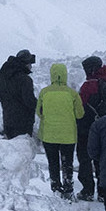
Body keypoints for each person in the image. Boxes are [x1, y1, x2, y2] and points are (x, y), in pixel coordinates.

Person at [36, 62, 85, 198]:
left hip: (49, 135)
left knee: (53, 163)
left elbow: (39, 112)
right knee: (67, 163)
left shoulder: (44, 92)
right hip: (68, 136)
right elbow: (80, 114)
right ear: (65, 75)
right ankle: (68, 189)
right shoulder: (72, 93)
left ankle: (56, 188)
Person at [74, 57, 106, 202]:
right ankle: (103, 192)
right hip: (104, 128)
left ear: (91, 69)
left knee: (84, 158)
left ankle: (87, 191)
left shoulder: (90, 85)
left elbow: (80, 106)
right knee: (101, 160)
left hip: (87, 128)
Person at [0, 50, 36, 139]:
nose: (31, 66)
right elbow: (29, 101)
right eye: (30, 64)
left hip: (8, 119)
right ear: (25, 64)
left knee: (10, 150)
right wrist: (40, 106)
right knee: (21, 148)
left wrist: (9, 103)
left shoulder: (4, 75)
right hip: (23, 122)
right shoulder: (25, 79)